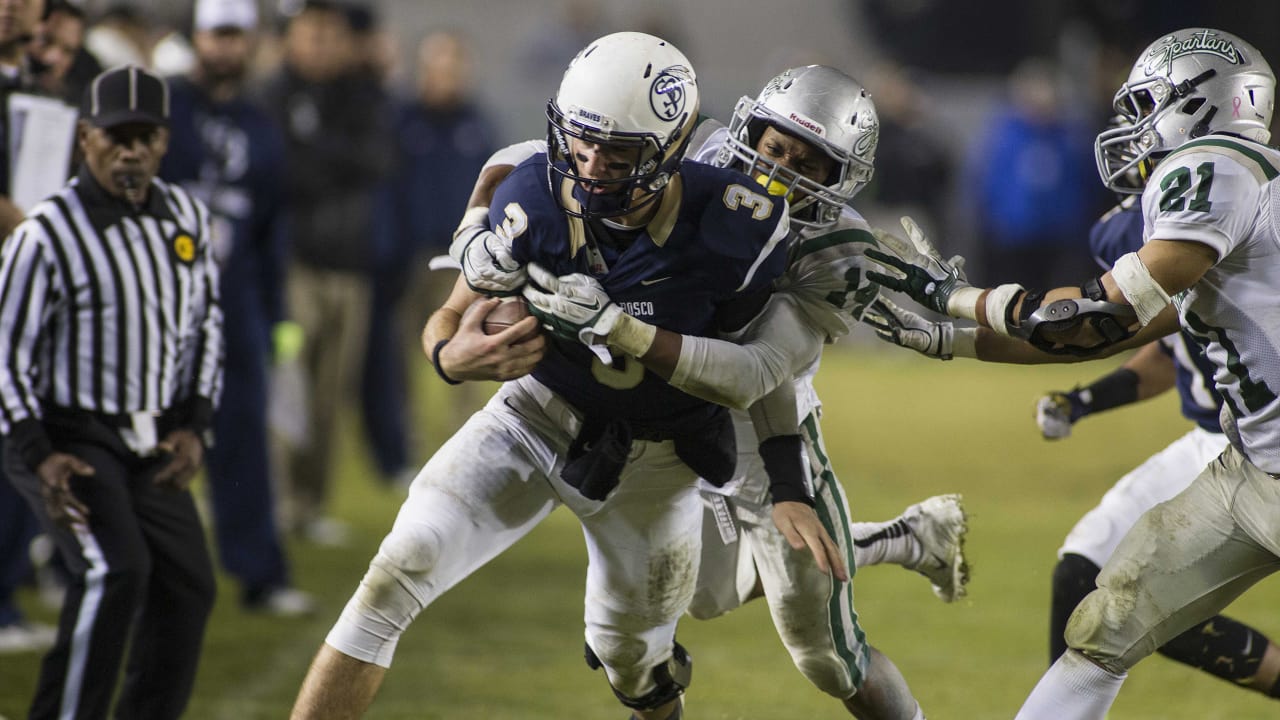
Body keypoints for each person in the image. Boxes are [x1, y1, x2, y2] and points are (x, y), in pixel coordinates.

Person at [290, 32, 791, 720]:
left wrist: (635, 334)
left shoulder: (734, 226)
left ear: (670, 149)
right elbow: (447, 320)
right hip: (533, 415)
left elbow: (758, 372)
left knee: (633, 665)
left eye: (617, 152)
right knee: (396, 571)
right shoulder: (532, 190)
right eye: (580, 141)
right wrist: (449, 356)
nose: (589, 165)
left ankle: (650, 676)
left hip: (657, 462)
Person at [443, 65, 955, 719]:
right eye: (774, 149)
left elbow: (750, 376)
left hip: (766, 420)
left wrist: (621, 329)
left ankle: (902, 540)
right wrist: (475, 233)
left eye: (809, 164)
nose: (779, 173)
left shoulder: (833, 247)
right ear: (749, 132)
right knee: (699, 596)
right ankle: (903, 537)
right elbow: (533, 160)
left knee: (823, 655)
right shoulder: (695, 155)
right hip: (672, 406)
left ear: (842, 179)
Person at [863, 27, 1279, 719]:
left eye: (1147, 104)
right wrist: (952, 340)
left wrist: (958, 299)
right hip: (1249, 472)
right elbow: (1100, 336)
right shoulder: (1243, 196)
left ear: (1199, 103)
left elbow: (1098, 318)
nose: (1135, 127)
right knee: (1105, 624)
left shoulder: (1214, 165)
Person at [0, 64, 222, 720]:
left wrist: (194, 423)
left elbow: (204, 322)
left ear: (164, 141)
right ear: (84, 140)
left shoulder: (184, 216)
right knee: (113, 571)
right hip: (69, 434)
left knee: (188, 585)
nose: (131, 151)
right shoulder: (47, 234)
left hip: (150, 433)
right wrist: (38, 453)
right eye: (115, 136)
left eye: (145, 136)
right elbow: (5, 353)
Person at [159, 0, 313, 616]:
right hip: (159, 301)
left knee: (246, 437)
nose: (226, 47)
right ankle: (124, 569)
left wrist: (275, 314)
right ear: (196, 37)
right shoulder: (164, 106)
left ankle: (260, 574)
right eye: (216, 34)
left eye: (236, 36)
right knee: (141, 435)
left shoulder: (260, 123)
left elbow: (271, 225)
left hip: (236, 302)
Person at [261, 0, 393, 545]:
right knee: (286, 385)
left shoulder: (365, 94)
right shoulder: (272, 95)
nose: (319, 44)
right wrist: (332, 161)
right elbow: (280, 170)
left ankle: (310, 506)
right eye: (310, 34)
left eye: (328, 35)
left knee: (329, 394)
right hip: (294, 265)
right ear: (293, 38)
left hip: (351, 267)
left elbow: (378, 161)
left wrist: (317, 153)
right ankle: (277, 502)